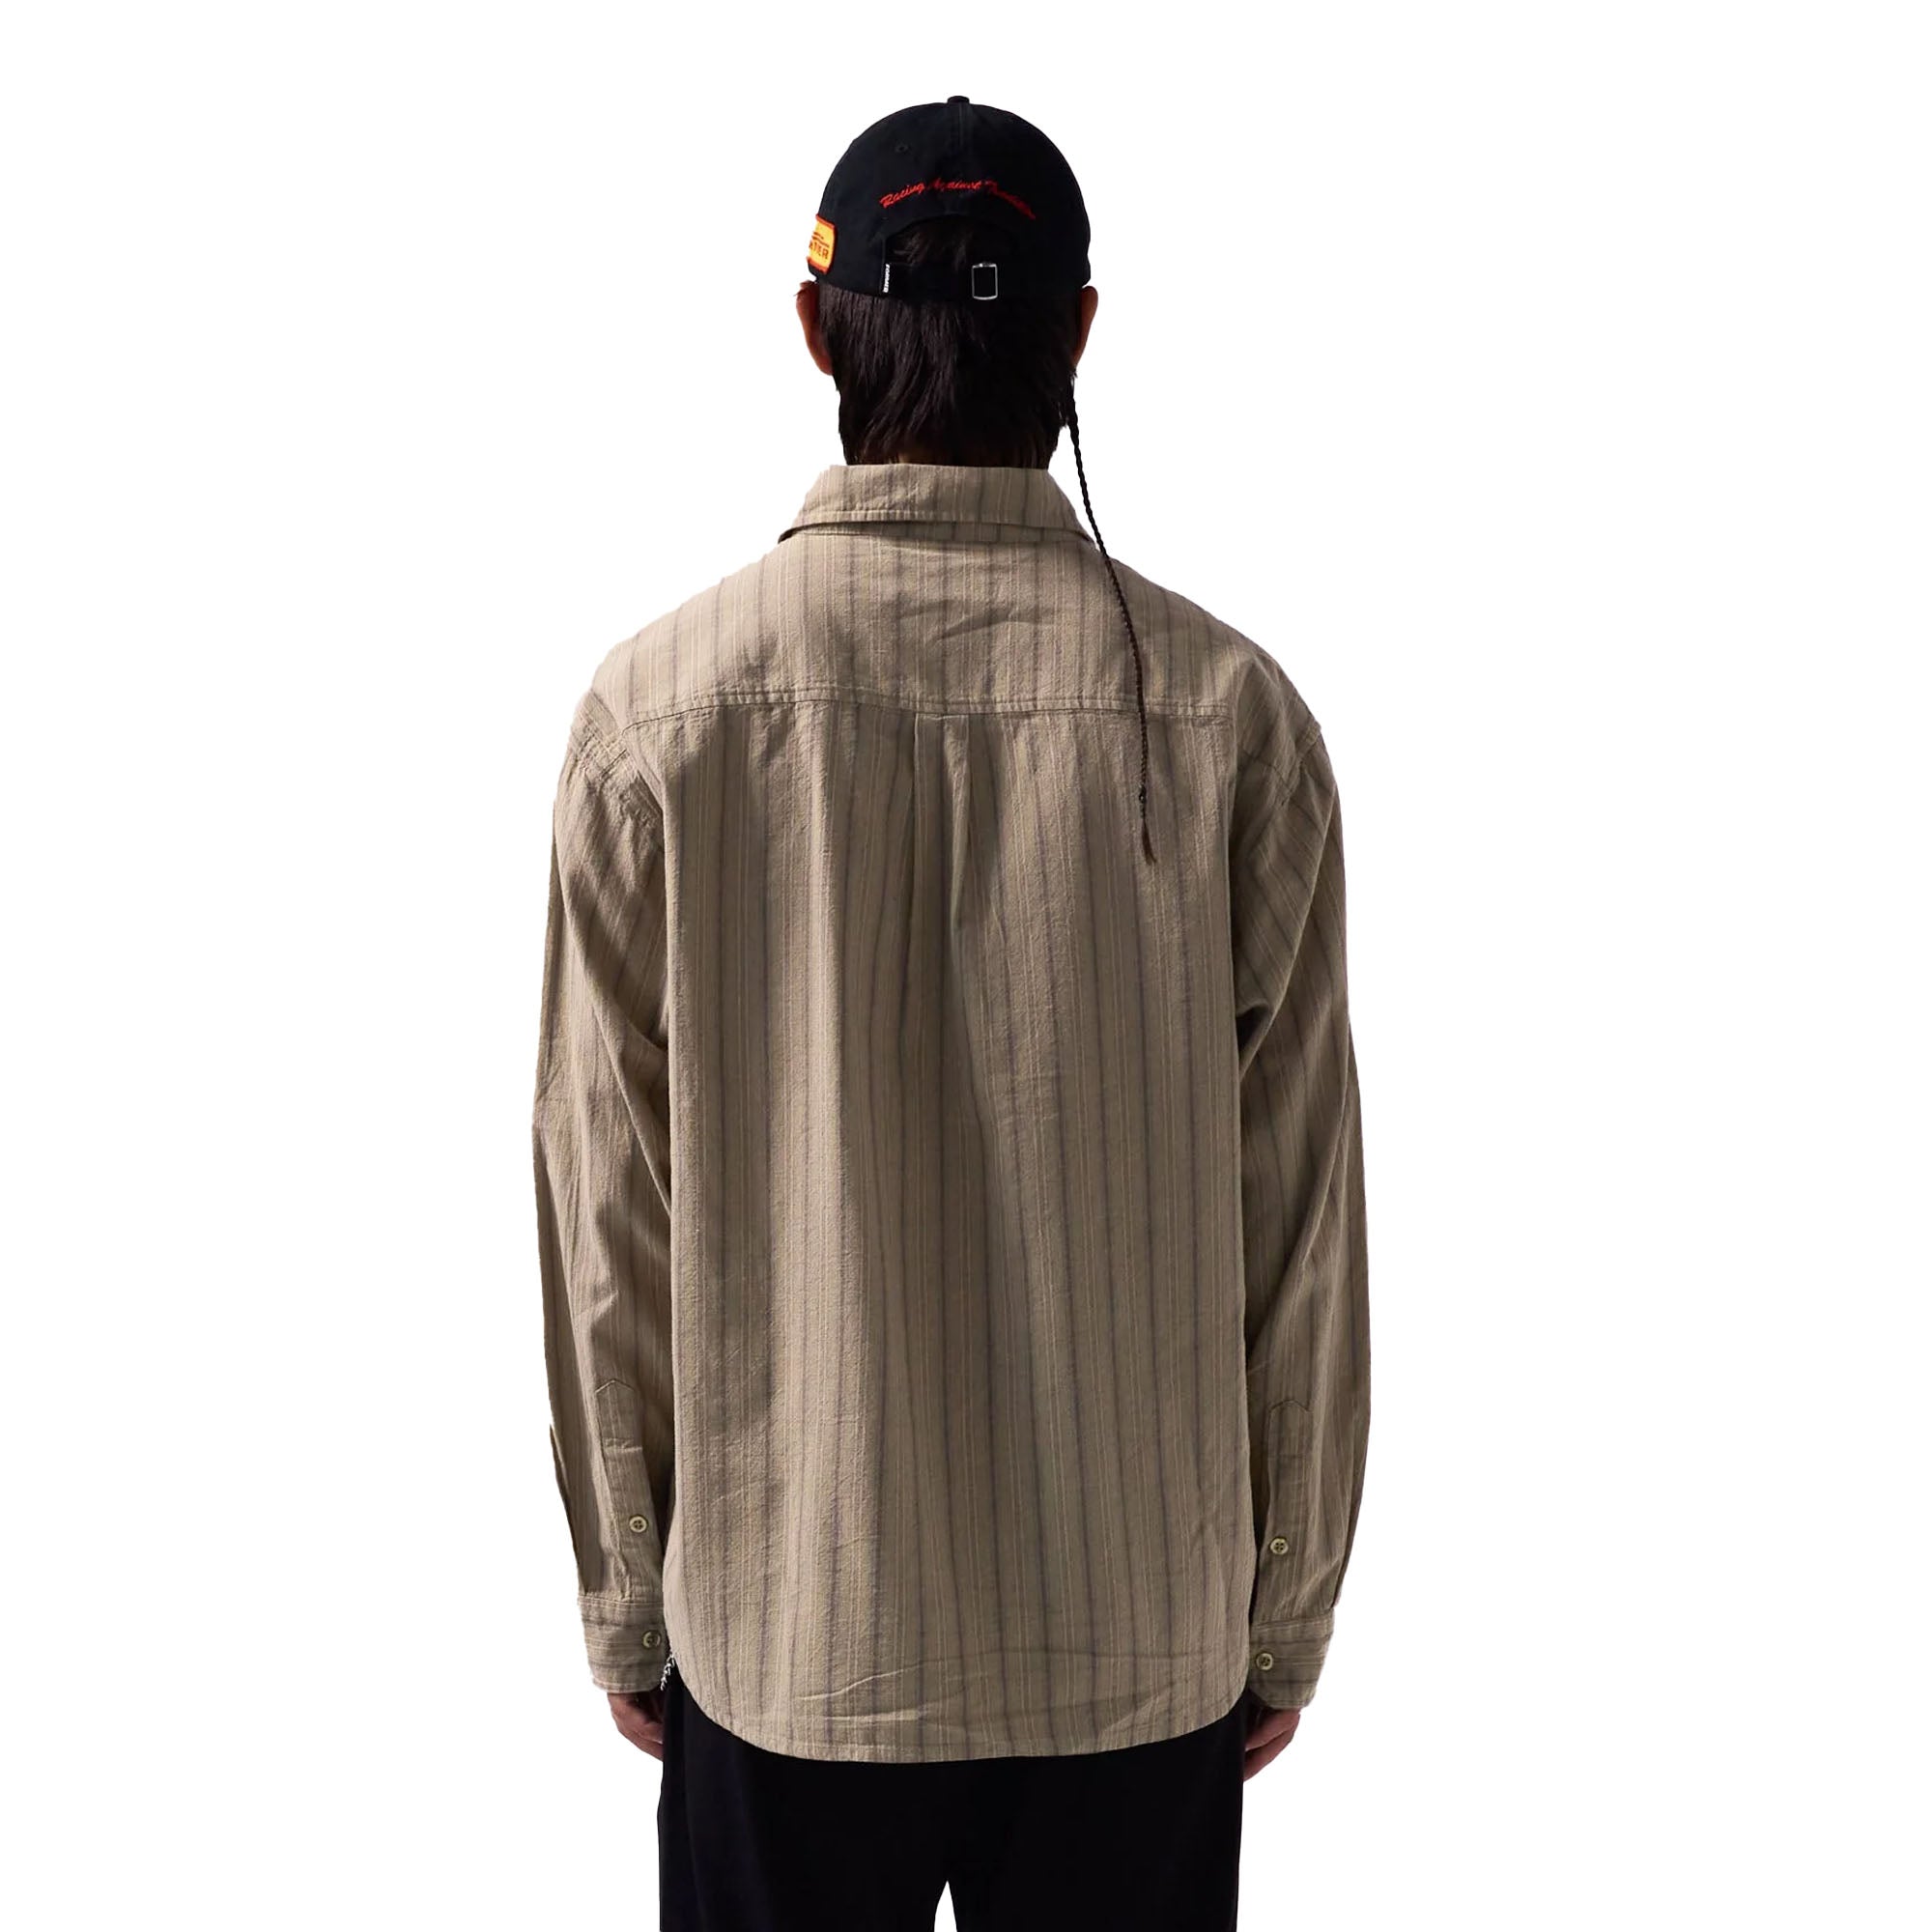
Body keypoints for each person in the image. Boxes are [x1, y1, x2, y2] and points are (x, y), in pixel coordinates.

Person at [530, 94, 1371, 1932]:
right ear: (1081, 332)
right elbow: (1303, 1223)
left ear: (815, 328)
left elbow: (608, 1217)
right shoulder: (1234, 717)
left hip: (788, 1636)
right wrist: (1284, 1603)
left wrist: (627, 1593)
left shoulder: (657, 718)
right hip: (1140, 1653)